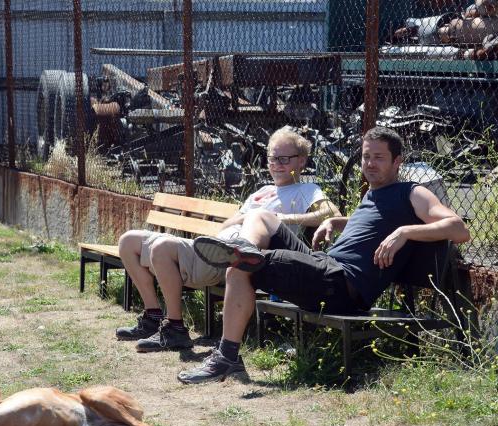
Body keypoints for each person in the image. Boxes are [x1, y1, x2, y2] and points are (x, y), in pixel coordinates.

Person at [179, 126, 471, 384]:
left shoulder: (412, 192)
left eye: (379, 158)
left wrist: (404, 232)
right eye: (366, 156)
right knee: (261, 216)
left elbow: (458, 228)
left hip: (342, 285)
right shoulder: (372, 194)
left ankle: (227, 354)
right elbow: (369, 226)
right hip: (327, 267)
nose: (369, 164)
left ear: (398, 162)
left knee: (239, 268)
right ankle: (247, 251)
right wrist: (335, 221)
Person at [115, 127, 341, 353]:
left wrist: (280, 218)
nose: (276, 164)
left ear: (301, 161)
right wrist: (241, 220)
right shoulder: (262, 191)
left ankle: (175, 328)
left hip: (235, 260)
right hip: (216, 245)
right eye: (272, 158)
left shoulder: (307, 189)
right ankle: (153, 317)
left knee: (162, 247)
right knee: (128, 241)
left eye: (284, 159)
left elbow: (332, 213)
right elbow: (226, 225)